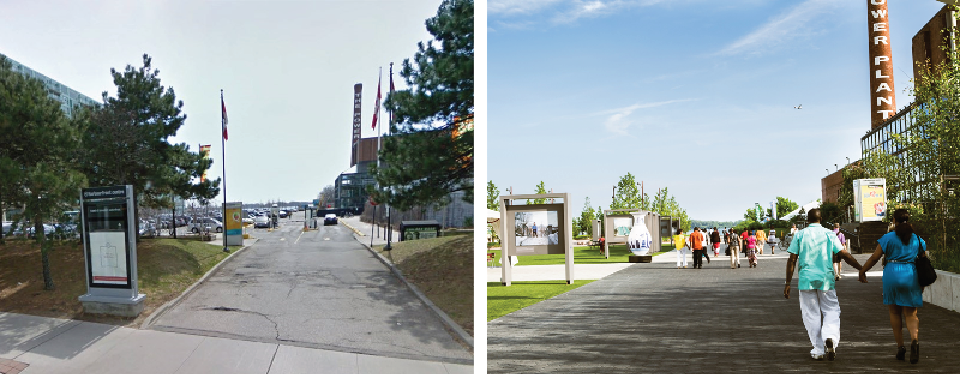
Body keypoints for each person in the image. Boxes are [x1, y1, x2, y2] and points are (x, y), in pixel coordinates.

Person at [784, 208, 863, 361]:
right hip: (826, 279)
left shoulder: (800, 235)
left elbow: (792, 259)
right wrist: (860, 268)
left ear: (808, 219)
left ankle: (818, 349)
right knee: (831, 310)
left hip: (806, 279)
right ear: (821, 219)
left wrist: (788, 283)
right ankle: (831, 338)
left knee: (811, 314)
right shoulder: (829, 234)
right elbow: (843, 254)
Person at [857, 209, 926, 364]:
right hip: (911, 275)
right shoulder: (918, 240)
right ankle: (914, 340)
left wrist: (862, 270)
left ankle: (901, 347)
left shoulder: (887, 238)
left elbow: (875, 258)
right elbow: (923, 260)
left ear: (894, 220)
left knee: (894, 313)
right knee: (911, 314)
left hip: (892, 275)